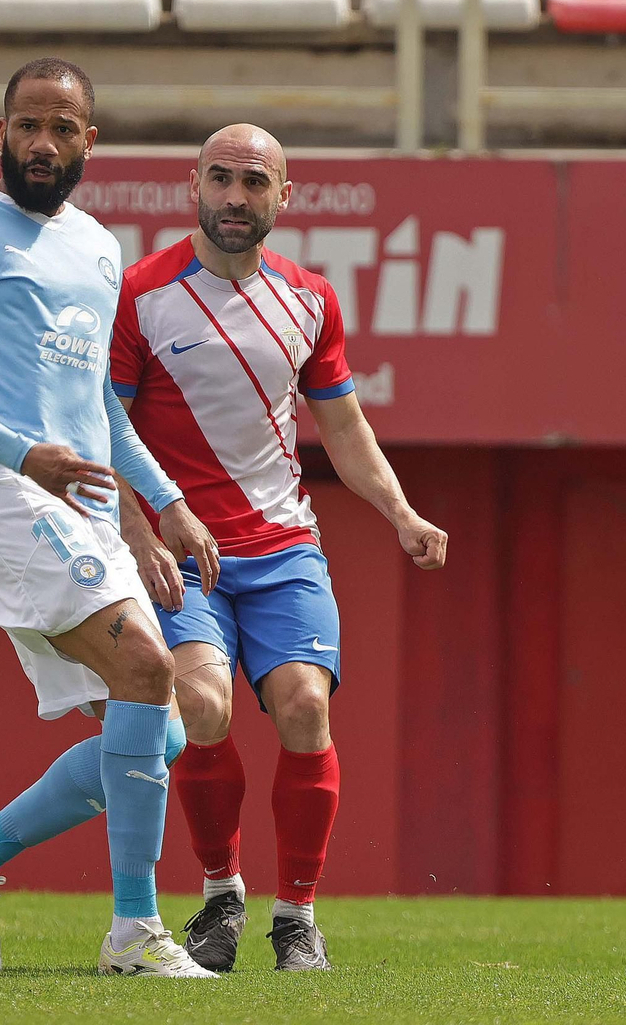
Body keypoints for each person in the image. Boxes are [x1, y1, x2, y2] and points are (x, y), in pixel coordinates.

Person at [0, 57, 223, 979]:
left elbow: (100, 411)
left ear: (89, 142)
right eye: (27, 125)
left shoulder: (98, 248)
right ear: (0, 133)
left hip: (79, 503)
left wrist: (166, 501)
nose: (43, 143)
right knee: (150, 665)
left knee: (157, 726)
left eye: (62, 128)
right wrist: (22, 453)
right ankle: (133, 932)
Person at [109, 124, 448, 973]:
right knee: (203, 709)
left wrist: (400, 512)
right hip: (183, 551)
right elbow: (100, 426)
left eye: (253, 183)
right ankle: (221, 896)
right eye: (219, 179)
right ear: (193, 183)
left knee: (304, 707)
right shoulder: (140, 292)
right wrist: (139, 528)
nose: (233, 197)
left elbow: (341, 424)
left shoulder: (312, 299)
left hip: (285, 545)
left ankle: (296, 916)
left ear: (283, 196)